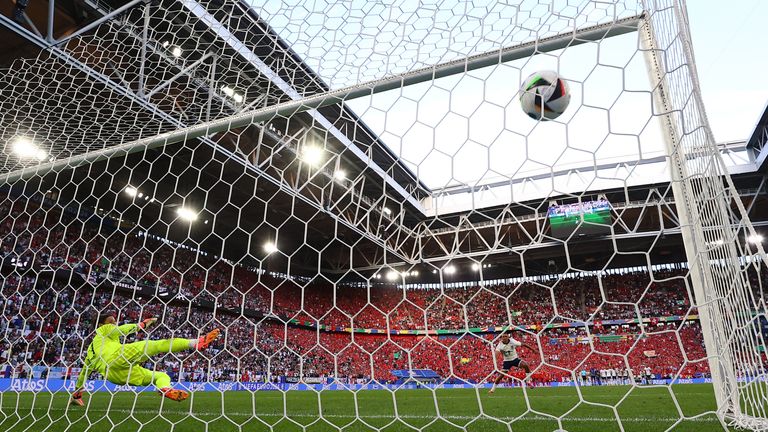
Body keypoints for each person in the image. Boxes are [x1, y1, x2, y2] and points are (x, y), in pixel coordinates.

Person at [70, 313, 220, 405]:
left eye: (115, 321)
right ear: (102, 324)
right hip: (117, 357)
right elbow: (121, 330)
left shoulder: (90, 351)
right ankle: (196, 342)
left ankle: (165, 389)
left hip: (113, 375)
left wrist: (77, 393)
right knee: (154, 345)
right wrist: (142, 324)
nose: (114, 323)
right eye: (111, 321)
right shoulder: (103, 330)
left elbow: (84, 372)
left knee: (160, 376)